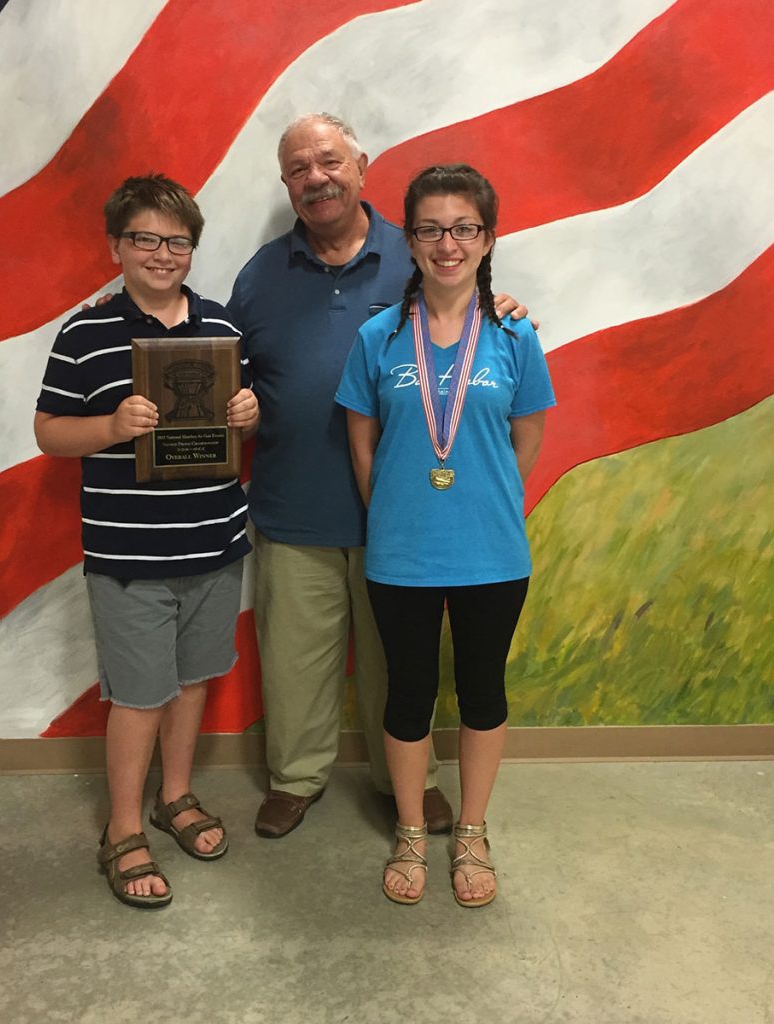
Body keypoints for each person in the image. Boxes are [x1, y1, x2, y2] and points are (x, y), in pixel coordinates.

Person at [229, 114, 529, 839]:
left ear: (361, 164)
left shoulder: (418, 251)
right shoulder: (262, 274)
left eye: (328, 160)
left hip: (405, 519)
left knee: (404, 668)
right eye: (298, 168)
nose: (315, 177)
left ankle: (414, 784)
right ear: (286, 186)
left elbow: (474, 327)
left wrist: (506, 305)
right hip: (294, 508)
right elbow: (218, 368)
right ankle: (296, 778)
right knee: (296, 664)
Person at [34, 174, 259, 909]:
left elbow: (237, 424)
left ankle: (177, 794)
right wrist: (109, 430)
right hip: (128, 556)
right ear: (117, 245)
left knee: (192, 680)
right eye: (146, 239)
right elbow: (48, 431)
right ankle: (122, 831)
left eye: (177, 241)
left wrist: (248, 413)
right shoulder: (85, 332)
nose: (162, 254)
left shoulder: (223, 330)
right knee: (138, 695)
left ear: (192, 248)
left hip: (215, 541)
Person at [335, 164, 555, 906]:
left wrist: (486, 500)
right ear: (411, 240)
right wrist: (396, 510)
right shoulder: (377, 336)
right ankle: (407, 829)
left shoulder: (516, 334)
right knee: (408, 692)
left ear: (488, 238)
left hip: (492, 549)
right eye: (430, 228)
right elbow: (361, 444)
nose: (447, 243)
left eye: (464, 227)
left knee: (484, 690)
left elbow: (527, 437)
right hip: (401, 550)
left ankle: (471, 831)